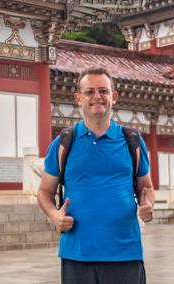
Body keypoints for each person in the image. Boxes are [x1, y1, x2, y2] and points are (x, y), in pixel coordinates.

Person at [37, 66, 154, 284]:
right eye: (89, 91)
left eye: (103, 91)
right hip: (77, 253)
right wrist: (55, 216)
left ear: (114, 96)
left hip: (125, 253)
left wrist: (148, 206)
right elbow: (44, 191)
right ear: (79, 98)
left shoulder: (132, 140)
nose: (97, 96)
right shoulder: (63, 143)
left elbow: (146, 187)